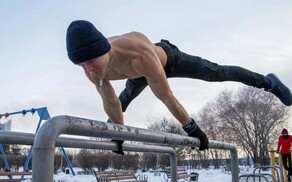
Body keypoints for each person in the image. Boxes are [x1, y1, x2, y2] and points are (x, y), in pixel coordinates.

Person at [66, 20, 292, 154]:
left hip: (168, 61)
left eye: (92, 63)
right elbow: (110, 101)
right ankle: (115, 128)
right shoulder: (93, 69)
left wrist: (191, 128)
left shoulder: (139, 55)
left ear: (104, 50)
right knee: (121, 102)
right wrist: (118, 134)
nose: (89, 70)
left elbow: (166, 98)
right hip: (137, 76)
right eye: (82, 66)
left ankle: (267, 82)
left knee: (217, 73)